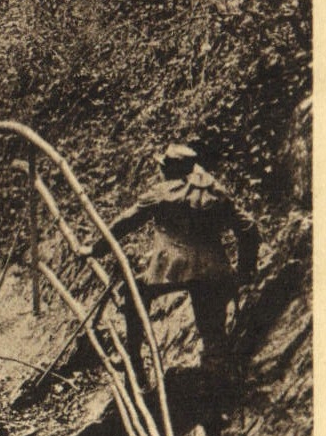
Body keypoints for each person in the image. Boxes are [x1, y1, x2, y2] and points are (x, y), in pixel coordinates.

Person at [87, 141, 260, 383]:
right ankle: (214, 399)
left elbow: (126, 222)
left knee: (135, 291)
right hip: (213, 271)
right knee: (213, 336)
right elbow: (249, 228)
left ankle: (133, 359)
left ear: (170, 171)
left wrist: (96, 248)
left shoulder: (161, 193)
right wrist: (244, 273)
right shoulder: (216, 192)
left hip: (171, 269)